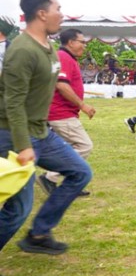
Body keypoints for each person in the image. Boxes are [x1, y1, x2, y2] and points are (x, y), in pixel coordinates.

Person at [0, 0, 93, 276]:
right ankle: (33, 232)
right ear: (42, 13)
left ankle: (39, 233)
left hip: (42, 131)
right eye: (58, 8)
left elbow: (49, 86)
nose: (61, 13)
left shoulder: (48, 47)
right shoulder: (21, 51)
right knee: (17, 210)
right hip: (16, 137)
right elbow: (12, 102)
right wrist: (24, 146)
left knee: (80, 172)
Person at [36, 29, 95, 197]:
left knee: (66, 149)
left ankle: (71, 182)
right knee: (84, 145)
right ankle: (50, 177)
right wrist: (83, 105)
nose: (84, 45)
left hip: (61, 113)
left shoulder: (67, 58)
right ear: (71, 42)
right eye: (82, 42)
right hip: (61, 114)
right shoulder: (64, 57)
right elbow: (61, 85)